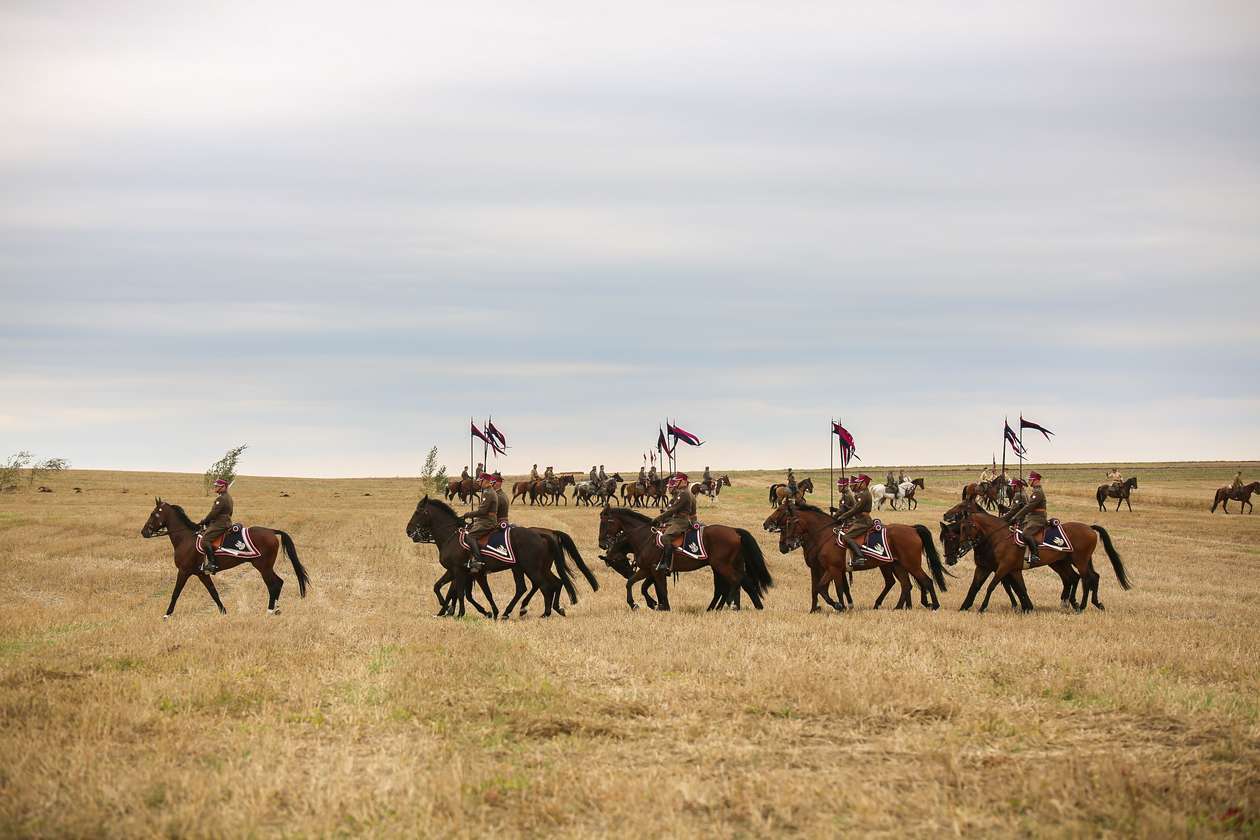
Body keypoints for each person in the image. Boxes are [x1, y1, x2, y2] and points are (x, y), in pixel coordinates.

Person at [652, 473, 696, 572]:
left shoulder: (684, 493)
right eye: (675, 481)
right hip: (677, 520)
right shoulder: (686, 493)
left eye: (677, 481)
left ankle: (666, 565)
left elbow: (673, 510)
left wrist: (658, 518)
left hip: (680, 522)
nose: (675, 482)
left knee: (665, 537)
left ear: (684, 482)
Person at [1005, 471, 1048, 566]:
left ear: (1035, 480)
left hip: (1038, 518)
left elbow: (1029, 507)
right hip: (1032, 517)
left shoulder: (1038, 492)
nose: (1028, 481)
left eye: (1030, 480)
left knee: (1026, 533)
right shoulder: (1035, 492)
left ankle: (1035, 555)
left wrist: (1016, 517)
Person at [833, 474, 874, 569]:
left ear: (864, 483)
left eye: (860, 482)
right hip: (859, 520)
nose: (858, 484)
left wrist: (842, 516)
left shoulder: (864, 494)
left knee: (847, 536)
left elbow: (855, 509)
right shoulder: (862, 494)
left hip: (864, 521)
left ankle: (860, 557)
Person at [462, 473, 498, 573]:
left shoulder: (488, 493)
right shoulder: (488, 491)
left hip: (487, 522)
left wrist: (468, 514)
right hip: (484, 519)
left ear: (485, 481)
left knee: (470, 536)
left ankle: (478, 561)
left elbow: (482, 511)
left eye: (479, 481)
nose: (478, 482)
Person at [198, 478, 234, 573]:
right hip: (225, 522)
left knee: (205, 540)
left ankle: (212, 563)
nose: (215, 487)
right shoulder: (228, 497)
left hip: (220, 524)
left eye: (218, 486)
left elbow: (214, 513)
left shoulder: (221, 498)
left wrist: (204, 521)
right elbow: (230, 512)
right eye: (216, 485)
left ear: (224, 487)